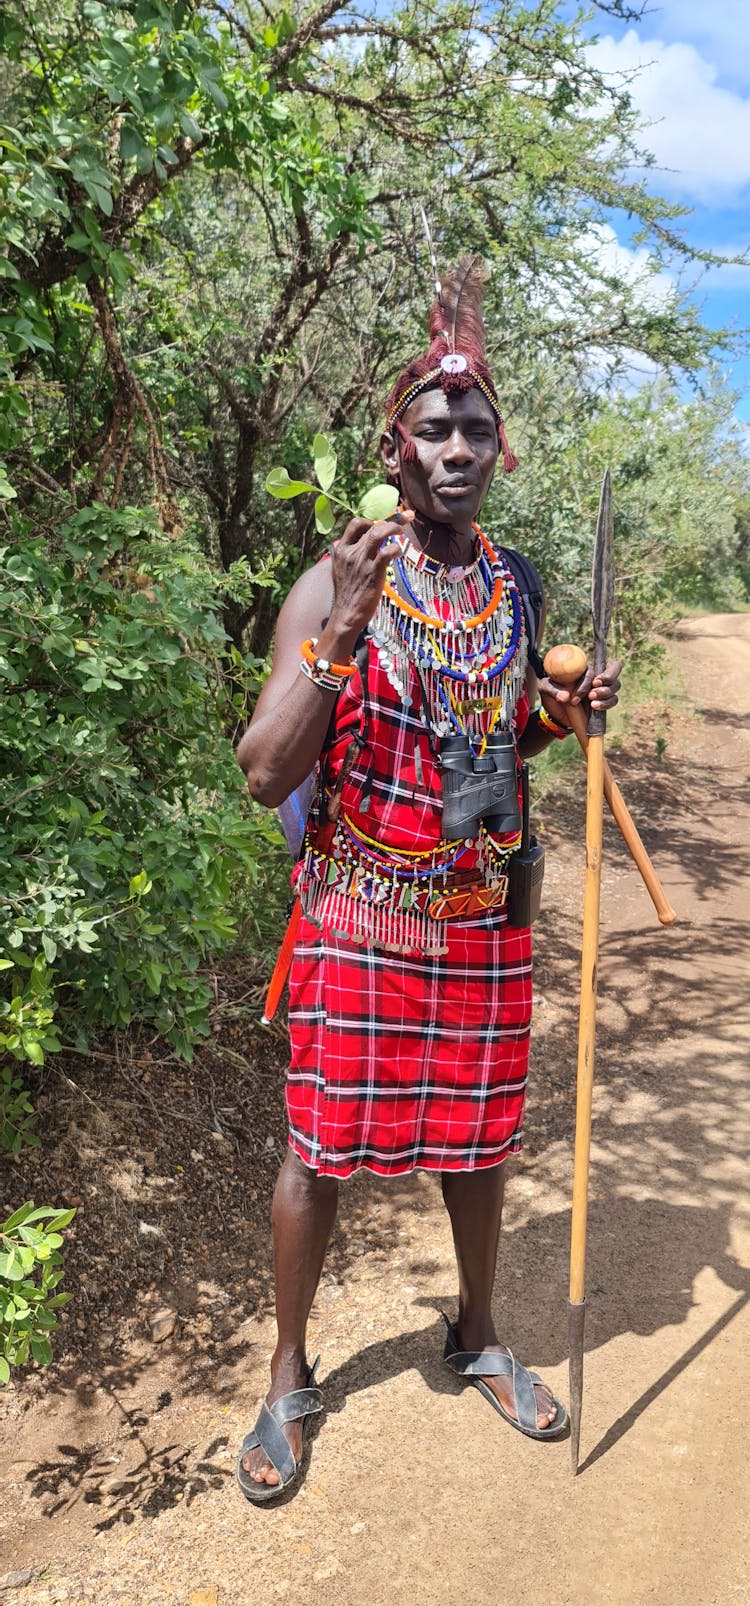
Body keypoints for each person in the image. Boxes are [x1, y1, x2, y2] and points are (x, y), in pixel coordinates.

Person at [235, 258, 621, 1502]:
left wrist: (558, 718)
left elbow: (490, 746)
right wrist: (339, 632)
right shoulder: (340, 578)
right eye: (435, 427)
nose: (458, 444)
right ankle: (288, 1371)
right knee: (322, 1148)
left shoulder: (513, 589)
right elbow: (261, 768)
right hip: (356, 910)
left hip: (478, 918)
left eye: (479, 427)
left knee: (478, 1139)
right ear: (396, 448)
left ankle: (474, 1331)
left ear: (500, 452)